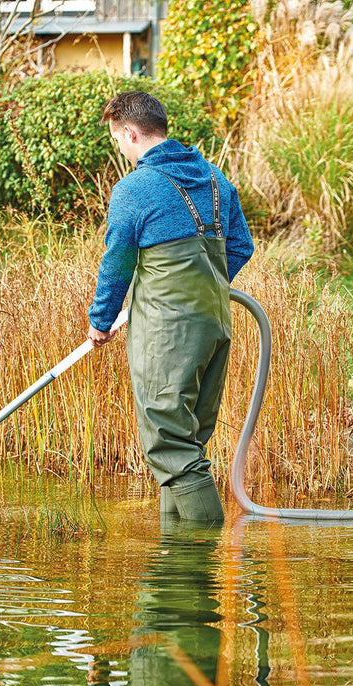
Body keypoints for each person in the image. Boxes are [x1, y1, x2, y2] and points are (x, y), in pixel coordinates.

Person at [87, 91, 254, 521]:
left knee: (169, 439)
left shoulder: (135, 188)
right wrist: (201, 287)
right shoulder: (216, 179)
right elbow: (240, 246)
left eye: (118, 140)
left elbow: (118, 262)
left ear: (131, 132)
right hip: (215, 323)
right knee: (188, 442)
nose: (120, 149)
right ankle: (177, 562)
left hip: (167, 334)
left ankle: (204, 553)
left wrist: (101, 321)